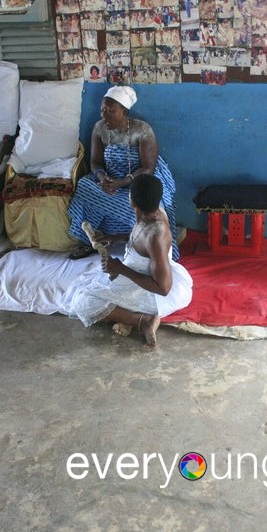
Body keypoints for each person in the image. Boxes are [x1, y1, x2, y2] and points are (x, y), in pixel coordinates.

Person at [62, 174, 193, 347]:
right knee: (86, 286)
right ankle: (132, 317)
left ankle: (142, 320)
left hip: (149, 292)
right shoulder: (151, 211)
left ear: (131, 201)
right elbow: (138, 238)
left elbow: (164, 288)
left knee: (81, 301)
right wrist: (114, 238)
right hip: (133, 277)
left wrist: (121, 269)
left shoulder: (156, 235)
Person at [68, 85, 179, 260]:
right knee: (84, 186)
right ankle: (92, 239)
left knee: (145, 200)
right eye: (103, 110)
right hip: (110, 179)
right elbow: (95, 162)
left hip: (138, 179)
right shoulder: (99, 128)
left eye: (111, 111)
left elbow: (148, 167)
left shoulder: (142, 130)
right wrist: (103, 178)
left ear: (124, 111)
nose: (105, 115)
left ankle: (144, 241)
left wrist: (121, 183)